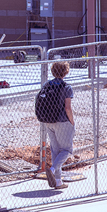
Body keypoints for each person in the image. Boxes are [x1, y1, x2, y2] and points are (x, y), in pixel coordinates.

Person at [39, 60, 75, 189]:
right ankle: (53, 169)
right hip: (62, 121)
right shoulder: (66, 87)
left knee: (55, 150)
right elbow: (68, 108)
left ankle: (58, 181)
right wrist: (72, 122)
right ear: (65, 72)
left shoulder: (46, 85)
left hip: (48, 121)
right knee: (66, 150)